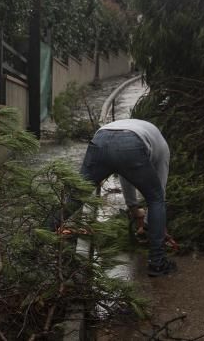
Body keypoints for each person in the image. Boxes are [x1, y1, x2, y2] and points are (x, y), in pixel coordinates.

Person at [76, 118, 177, 277]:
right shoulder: (163, 149)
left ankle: (39, 241)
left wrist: (134, 208)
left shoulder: (144, 131)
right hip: (131, 143)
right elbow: (159, 195)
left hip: (100, 140)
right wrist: (151, 225)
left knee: (75, 196)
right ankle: (157, 262)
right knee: (156, 198)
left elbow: (125, 172)